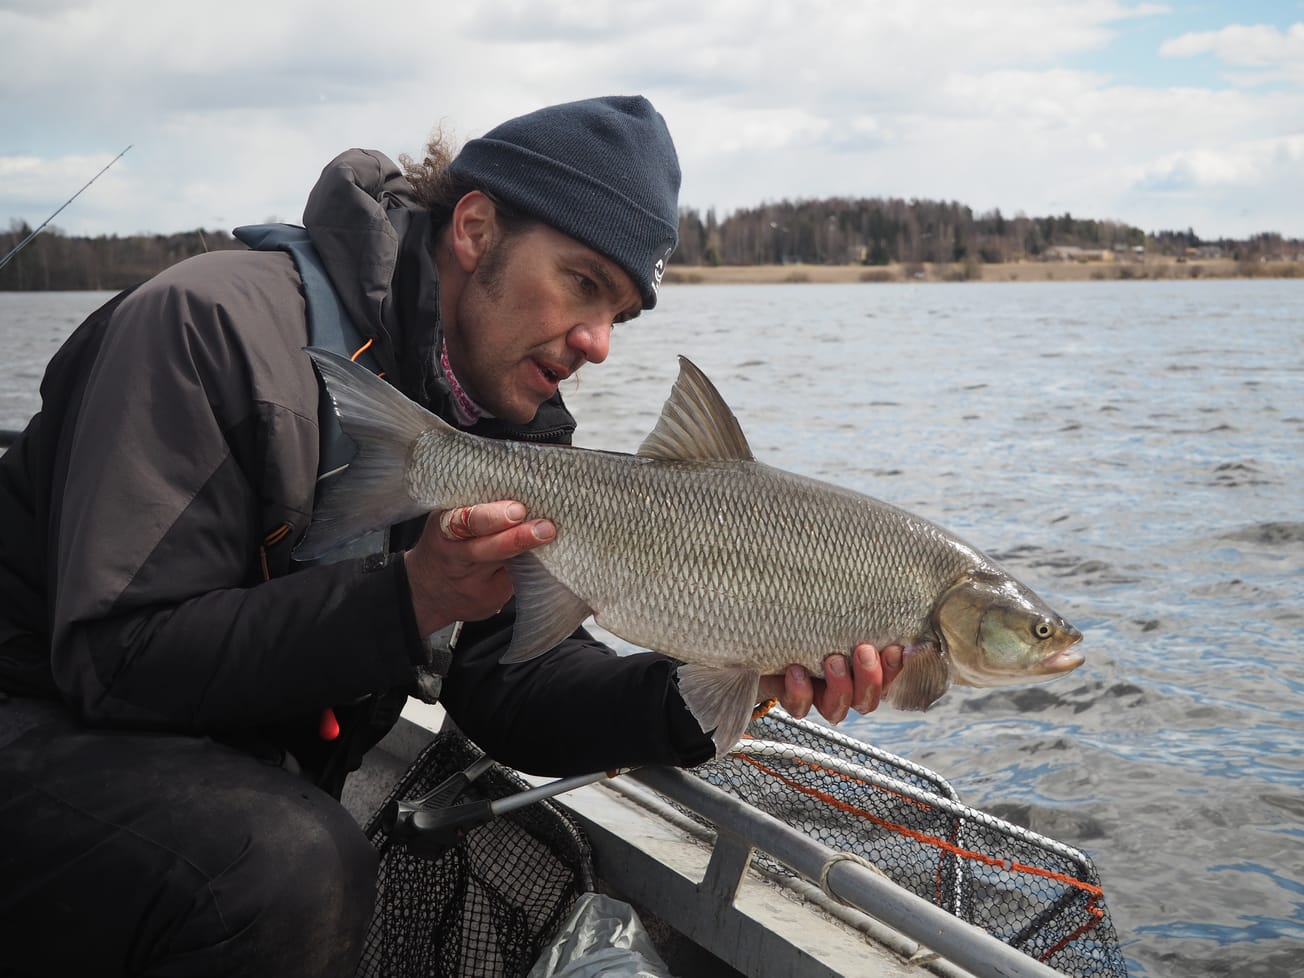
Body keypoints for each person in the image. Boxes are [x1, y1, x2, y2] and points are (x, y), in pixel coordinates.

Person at [0, 96, 901, 977]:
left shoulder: (511, 422)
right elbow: (112, 656)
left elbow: (510, 682)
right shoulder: (210, 325)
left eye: (619, 314)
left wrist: (706, 691)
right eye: (583, 284)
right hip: (36, 713)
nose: (597, 345)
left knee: (297, 848)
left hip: (222, 758)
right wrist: (410, 598)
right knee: (286, 868)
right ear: (473, 229)